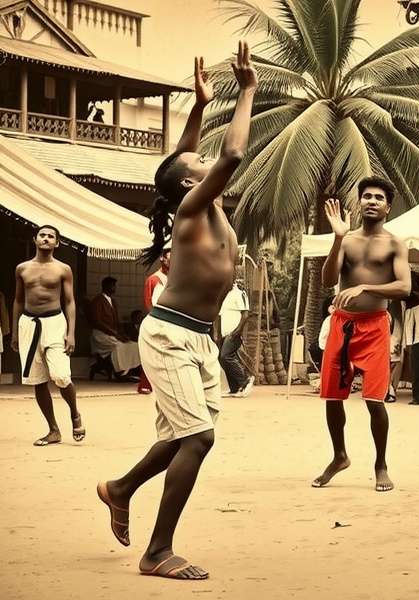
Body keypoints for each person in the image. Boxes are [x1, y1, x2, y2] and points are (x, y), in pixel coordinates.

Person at [97, 43, 257, 580]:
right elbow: (229, 155)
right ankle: (157, 551)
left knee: (182, 436)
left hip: (198, 339)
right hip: (169, 337)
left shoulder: (196, 198)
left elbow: (180, 161)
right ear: (194, 183)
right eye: (202, 164)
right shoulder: (193, 208)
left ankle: (119, 489)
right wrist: (248, 89)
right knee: (200, 438)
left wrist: (198, 107)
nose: (210, 160)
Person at [312, 178, 411, 493]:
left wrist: (365, 286)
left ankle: (381, 464)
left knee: (374, 399)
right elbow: (329, 280)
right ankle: (339, 456)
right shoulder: (348, 240)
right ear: (360, 202)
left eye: (378, 197)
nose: (371, 201)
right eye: (366, 196)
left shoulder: (395, 244)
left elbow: (404, 288)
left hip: (375, 326)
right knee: (331, 395)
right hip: (343, 324)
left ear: (387, 206)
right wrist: (337, 239)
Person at [11, 225, 84, 446]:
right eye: (42, 235)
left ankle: (74, 413)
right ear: (35, 239)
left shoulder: (63, 269)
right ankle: (53, 430)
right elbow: (18, 300)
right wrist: (15, 332)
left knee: (61, 374)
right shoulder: (22, 269)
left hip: (55, 322)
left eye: (51, 236)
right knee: (38, 379)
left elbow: (70, 301)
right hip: (28, 324)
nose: (46, 238)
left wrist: (71, 333)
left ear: (57, 243)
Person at [88, 276, 141, 380]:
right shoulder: (98, 300)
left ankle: (129, 370)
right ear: (106, 286)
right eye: (113, 285)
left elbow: (117, 322)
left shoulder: (113, 301)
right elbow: (98, 322)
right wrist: (115, 334)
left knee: (134, 345)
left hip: (112, 334)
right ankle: (120, 373)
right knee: (118, 346)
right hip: (100, 335)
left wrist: (122, 335)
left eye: (115, 285)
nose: (114, 288)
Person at [138, 248, 171, 394]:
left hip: (171, 321)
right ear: (162, 259)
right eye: (170, 257)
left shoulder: (174, 279)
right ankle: (145, 384)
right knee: (152, 354)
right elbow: (148, 303)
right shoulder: (153, 279)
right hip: (157, 321)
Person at [219, 278, 254, 398]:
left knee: (226, 356)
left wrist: (237, 331)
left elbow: (245, 315)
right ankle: (234, 388)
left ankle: (245, 379)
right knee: (221, 358)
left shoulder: (239, 293)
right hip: (225, 332)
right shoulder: (224, 295)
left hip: (234, 332)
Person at [386, 298, 406, 403]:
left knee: (394, 364)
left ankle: (391, 390)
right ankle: (390, 390)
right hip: (390, 338)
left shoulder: (398, 304)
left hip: (394, 339)